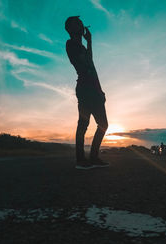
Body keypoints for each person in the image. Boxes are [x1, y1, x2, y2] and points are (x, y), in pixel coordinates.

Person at [65, 16, 109, 169]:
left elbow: (92, 68)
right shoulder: (71, 44)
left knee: (103, 124)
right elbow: (87, 62)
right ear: (70, 29)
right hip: (84, 89)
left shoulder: (82, 47)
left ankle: (94, 157)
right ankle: (80, 160)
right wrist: (89, 42)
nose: (81, 25)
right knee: (83, 124)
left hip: (94, 90)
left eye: (81, 23)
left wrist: (100, 90)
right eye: (77, 23)